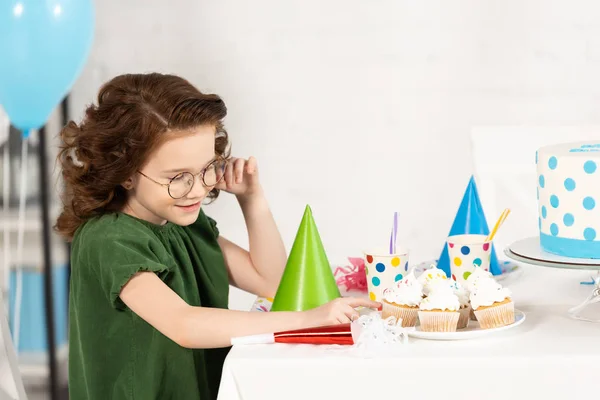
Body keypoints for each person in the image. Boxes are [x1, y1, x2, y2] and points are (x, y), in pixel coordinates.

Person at [55, 73, 380, 400]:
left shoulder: (183, 225)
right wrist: (307, 320)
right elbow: (183, 325)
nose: (198, 188)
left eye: (207, 168)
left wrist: (252, 200)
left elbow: (274, 282)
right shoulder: (109, 240)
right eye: (178, 177)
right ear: (125, 173)